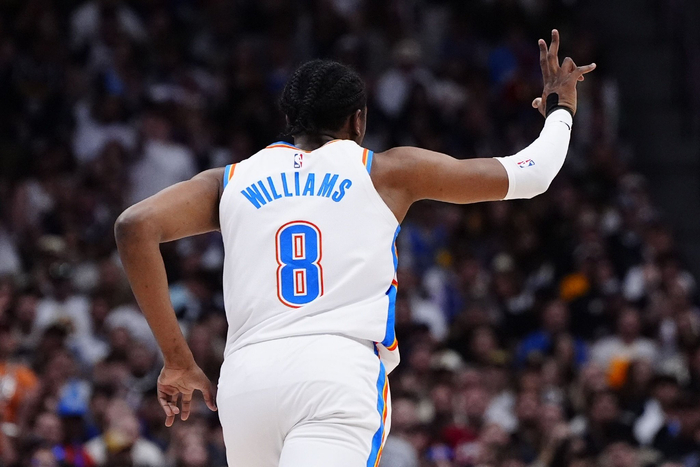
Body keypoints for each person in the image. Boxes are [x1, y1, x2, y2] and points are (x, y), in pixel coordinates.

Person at [115, 30, 595, 467]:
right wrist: (561, 111)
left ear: (289, 119)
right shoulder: (385, 171)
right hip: (335, 371)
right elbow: (532, 174)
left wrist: (177, 359)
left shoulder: (229, 180)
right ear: (358, 120)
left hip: (246, 381)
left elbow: (134, 227)